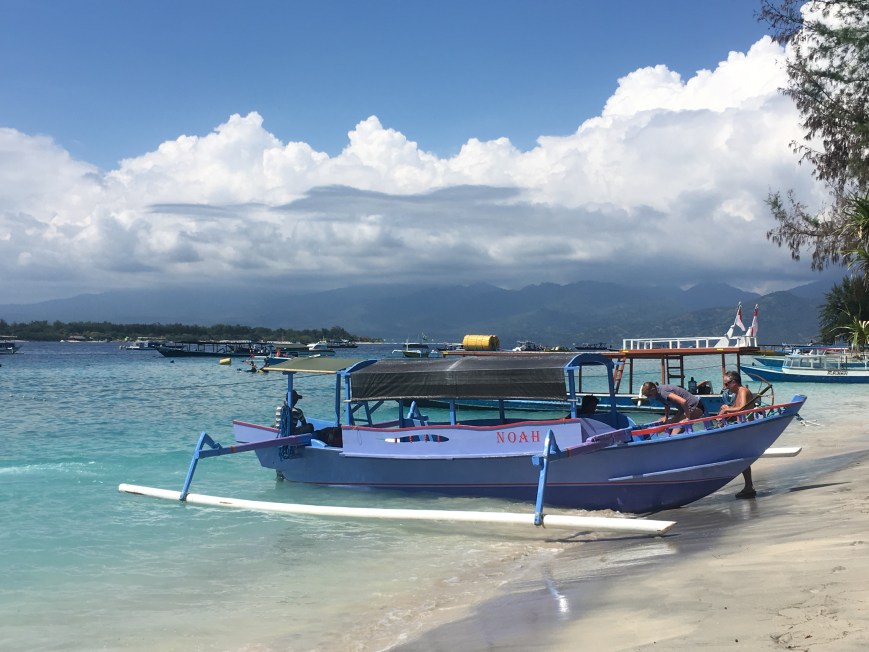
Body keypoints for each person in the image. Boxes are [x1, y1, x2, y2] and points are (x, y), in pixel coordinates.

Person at [718, 370, 757, 499]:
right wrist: (724, 412)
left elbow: (742, 408)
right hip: (742, 429)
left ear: (734, 382)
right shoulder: (737, 394)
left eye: (727, 384)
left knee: (741, 457)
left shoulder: (743, 391)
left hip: (747, 429)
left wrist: (726, 409)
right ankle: (748, 487)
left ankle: (749, 486)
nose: (725, 387)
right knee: (742, 458)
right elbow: (734, 413)